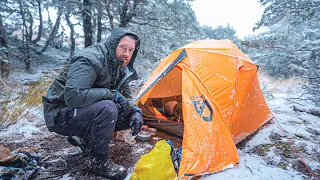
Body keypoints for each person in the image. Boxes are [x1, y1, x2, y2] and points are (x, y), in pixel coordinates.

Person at [42, 28, 144, 179]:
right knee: (108, 108)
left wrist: (136, 111)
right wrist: (111, 94)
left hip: (80, 111)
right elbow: (73, 96)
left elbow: (126, 96)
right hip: (59, 113)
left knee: (129, 113)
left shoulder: (118, 66)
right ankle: (97, 161)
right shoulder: (90, 58)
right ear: (113, 44)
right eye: (123, 47)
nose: (126, 54)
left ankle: (83, 138)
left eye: (131, 50)